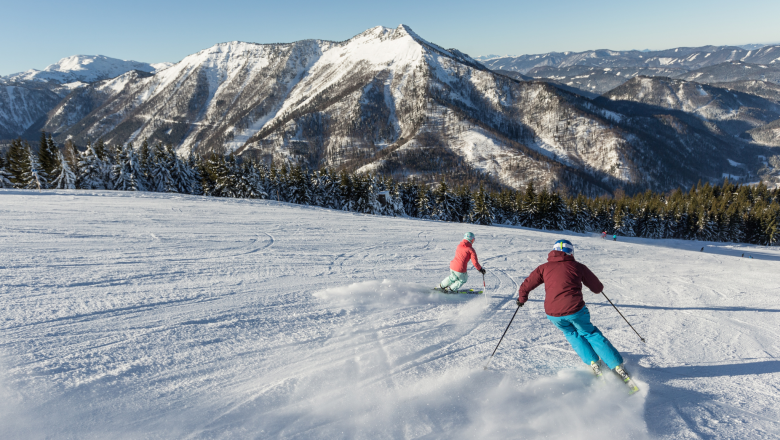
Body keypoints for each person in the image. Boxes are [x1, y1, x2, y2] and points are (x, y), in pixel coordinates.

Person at [516, 239, 637, 391]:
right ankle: (616, 366)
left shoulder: (543, 268)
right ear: (571, 252)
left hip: (553, 313)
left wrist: (522, 299)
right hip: (575, 310)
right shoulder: (577, 267)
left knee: (571, 333)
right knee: (590, 333)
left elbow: (526, 285)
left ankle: (593, 363)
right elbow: (597, 288)